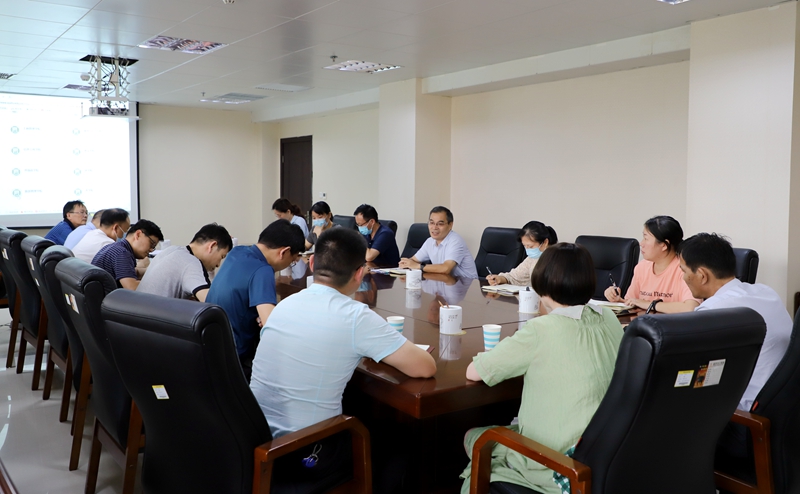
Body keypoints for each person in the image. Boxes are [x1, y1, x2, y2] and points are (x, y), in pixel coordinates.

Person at [250, 227, 436, 491]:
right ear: (360, 273)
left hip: (259, 443)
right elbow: (425, 367)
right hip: (306, 452)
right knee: (399, 436)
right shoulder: (355, 316)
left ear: (312, 264)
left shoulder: (284, 305)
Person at [459, 243, 623, 494]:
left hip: (560, 462)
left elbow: (474, 372)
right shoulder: (609, 317)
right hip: (606, 456)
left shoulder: (541, 329)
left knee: (474, 436)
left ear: (542, 282)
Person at [678, 233, 791, 412]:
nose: (683, 278)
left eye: (684, 271)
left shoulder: (712, 311)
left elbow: (694, 373)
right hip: (786, 403)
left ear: (702, 275)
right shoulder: (766, 292)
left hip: (748, 412)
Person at [206, 219, 305, 381]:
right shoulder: (263, 270)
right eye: (292, 261)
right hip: (235, 360)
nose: (290, 264)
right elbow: (270, 325)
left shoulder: (237, 252)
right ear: (284, 252)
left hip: (210, 348)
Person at [603, 215, 699, 313]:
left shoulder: (685, 269)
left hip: (671, 323)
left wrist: (650, 304)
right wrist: (618, 301)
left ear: (664, 245)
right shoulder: (642, 267)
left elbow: (690, 308)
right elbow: (633, 303)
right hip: (644, 322)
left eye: (646, 238)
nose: (641, 243)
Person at [137, 223, 232, 302]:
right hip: (154, 317)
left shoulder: (171, 250)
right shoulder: (191, 262)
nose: (218, 264)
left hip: (137, 313)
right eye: (222, 256)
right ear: (212, 246)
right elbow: (211, 302)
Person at [399, 206, 478, 279]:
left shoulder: (456, 241)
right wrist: (406, 263)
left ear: (450, 225)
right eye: (431, 223)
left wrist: (418, 266)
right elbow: (413, 260)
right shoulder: (430, 241)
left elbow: (446, 268)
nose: (434, 227)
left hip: (468, 284)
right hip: (444, 282)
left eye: (440, 224)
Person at [91, 219, 163, 290]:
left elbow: (133, 272)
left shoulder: (115, 247)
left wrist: (155, 272)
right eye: (152, 244)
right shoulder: (122, 253)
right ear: (138, 234)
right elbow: (132, 287)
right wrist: (162, 284)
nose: (151, 250)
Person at [486, 221, 557, 286]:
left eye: (530, 246)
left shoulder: (559, 259)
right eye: (525, 246)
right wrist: (500, 279)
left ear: (545, 242)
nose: (528, 250)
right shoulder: (532, 258)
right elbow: (514, 277)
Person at [272, 198, 308, 279]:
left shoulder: (299, 221)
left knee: (299, 279)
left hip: (299, 255)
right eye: (277, 216)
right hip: (287, 254)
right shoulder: (283, 224)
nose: (279, 218)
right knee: (285, 279)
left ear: (288, 212)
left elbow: (297, 240)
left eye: (280, 215)